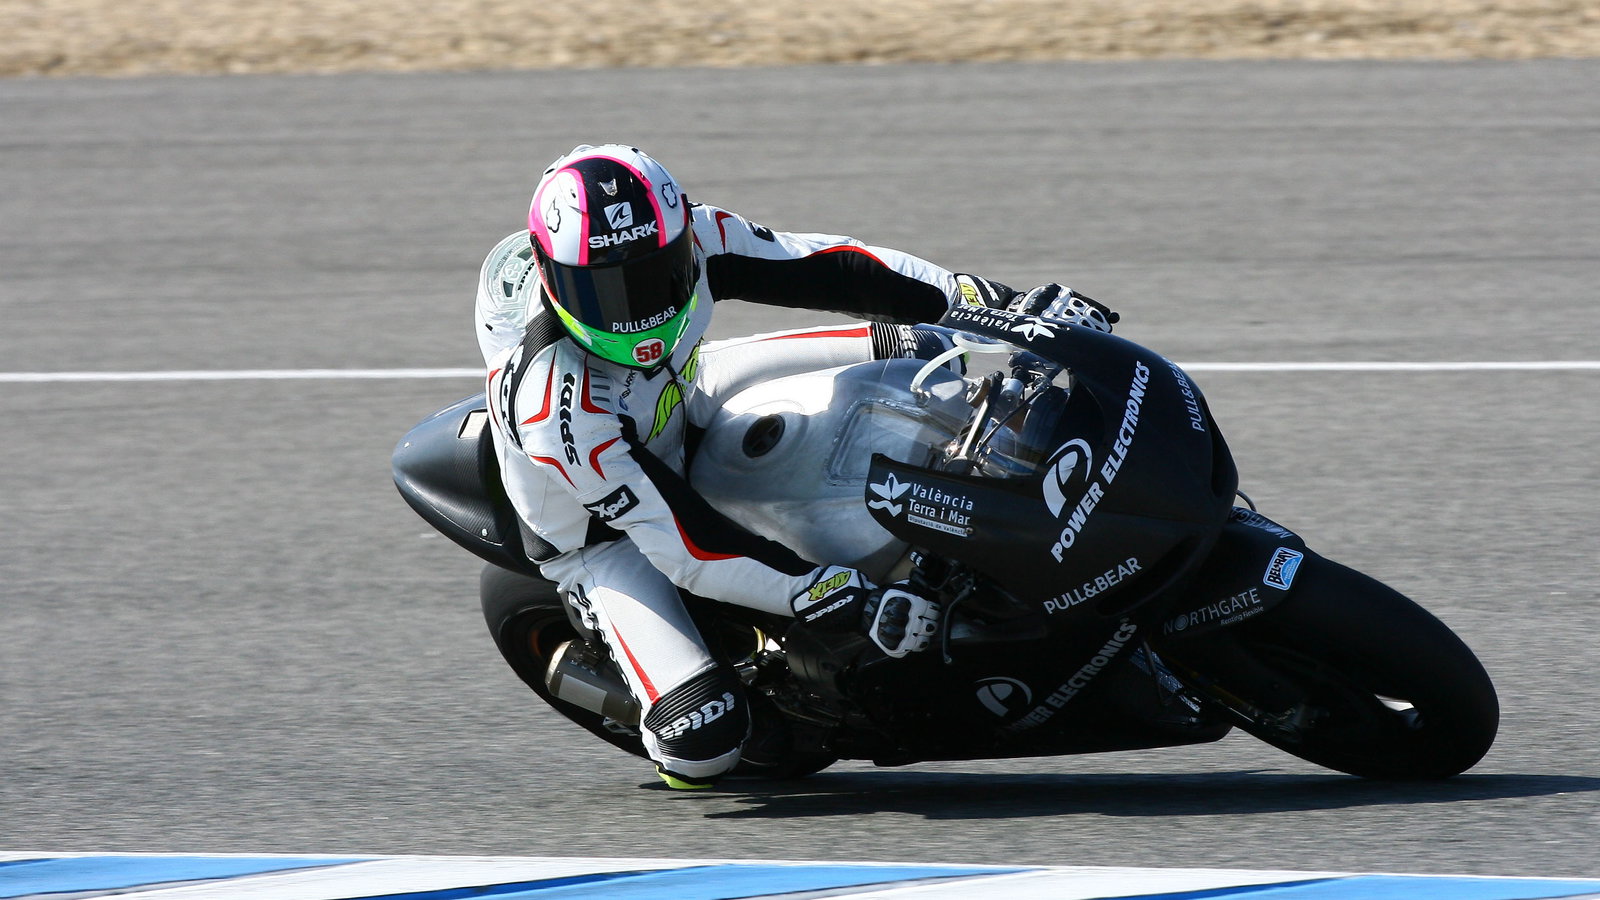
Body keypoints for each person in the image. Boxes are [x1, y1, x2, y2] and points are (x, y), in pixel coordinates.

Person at [475, 143, 1114, 789]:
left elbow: (832, 266)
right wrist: (832, 592)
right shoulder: (555, 406)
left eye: (650, 276)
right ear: (552, 276)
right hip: (606, 533)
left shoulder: (701, 236)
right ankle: (622, 662)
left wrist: (999, 306)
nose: (633, 310)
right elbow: (686, 544)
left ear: (679, 240)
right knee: (702, 743)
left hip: (684, 397)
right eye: (603, 291)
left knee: (925, 343)